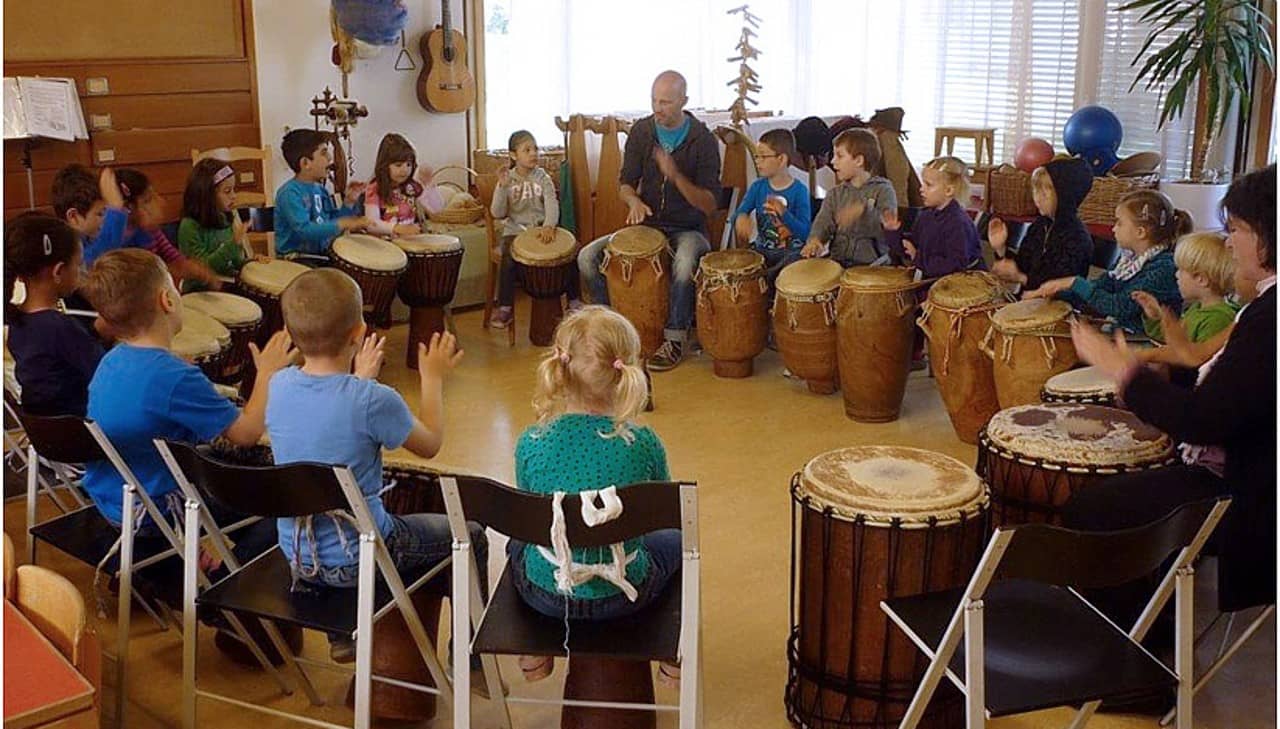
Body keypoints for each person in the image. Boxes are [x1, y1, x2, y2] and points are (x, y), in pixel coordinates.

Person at [1061, 166, 1276, 713]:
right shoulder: (1265, 311)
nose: (1231, 240)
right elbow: (1234, 392)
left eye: (1239, 228)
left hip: (1252, 497)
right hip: (1252, 472)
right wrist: (1160, 372)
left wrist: (1123, 372)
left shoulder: (1271, 318)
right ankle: (1147, 636)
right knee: (1131, 493)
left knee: (1096, 507)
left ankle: (1135, 671)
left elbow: (1206, 421)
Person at [265, 268, 487, 664]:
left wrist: (359, 379)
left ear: (290, 331)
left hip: (299, 557)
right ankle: (468, 657)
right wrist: (432, 378)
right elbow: (430, 444)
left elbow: (326, 417)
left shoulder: (278, 386)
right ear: (359, 331)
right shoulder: (373, 400)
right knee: (471, 536)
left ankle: (341, 632)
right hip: (359, 557)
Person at [78, 248, 294, 562]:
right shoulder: (175, 377)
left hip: (112, 499)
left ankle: (171, 566)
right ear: (167, 300)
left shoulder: (111, 361)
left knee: (228, 474)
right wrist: (267, 374)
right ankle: (224, 581)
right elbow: (246, 433)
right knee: (282, 504)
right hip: (155, 512)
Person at [508, 306, 682, 686]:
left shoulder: (531, 442)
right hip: (624, 593)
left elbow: (530, 515)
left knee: (520, 536)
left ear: (561, 370)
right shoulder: (643, 443)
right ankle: (673, 660)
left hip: (547, 594)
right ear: (626, 374)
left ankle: (534, 651)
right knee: (679, 541)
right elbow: (667, 515)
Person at [576, 70, 721, 371]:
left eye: (666, 102)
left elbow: (709, 204)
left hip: (688, 228)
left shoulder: (703, 140)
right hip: (648, 224)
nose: (658, 108)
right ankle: (612, 333)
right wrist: (634, 201)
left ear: (684, 101)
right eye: (654, 100)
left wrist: (676, 176)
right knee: (588, 257)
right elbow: (625, 183)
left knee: (684, 263)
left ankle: (675, 339)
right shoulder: (642, 132)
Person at [1024, 189, 1186, 333]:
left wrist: (1073, 282)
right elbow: (1100, 289)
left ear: (1140, 232)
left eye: (1119, 222)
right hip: (1122, 335)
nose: (1113, 228)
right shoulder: (1128, 261)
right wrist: (1056, 295)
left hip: (1148, 346)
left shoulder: (1163, 268)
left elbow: (1118, 306)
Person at [3, 214, 103, 416]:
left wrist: (97, 332)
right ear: (58, 271)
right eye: (78, 264)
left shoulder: (18, 321)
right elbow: (106, 372)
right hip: (85, 431)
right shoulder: (59, 327)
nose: (81, 271)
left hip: (47, 435)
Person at [490, 130, 580, 329]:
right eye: (527, 150)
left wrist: (549, 225)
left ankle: (574, 301)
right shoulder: (508, 179)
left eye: (535, 149)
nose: (533, 154)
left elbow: (551, 203)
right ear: (513, 155)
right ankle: (505, 307)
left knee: (571, 251)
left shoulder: (543, 177)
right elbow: (497, 213)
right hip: (515, 231)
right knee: (507, 255)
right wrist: (502, 187)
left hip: (542, 230)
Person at [988, 156, 1094, 292]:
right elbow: (1022, 265)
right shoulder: (1040, 225)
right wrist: (1000, 248)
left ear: (1064, 196)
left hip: (1058, 308)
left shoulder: (1077, 238)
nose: (1037, 197)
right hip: (1029, 302)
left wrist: (1021, 278)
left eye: (1044, 193)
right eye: (1035, 190)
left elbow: (1061, 286)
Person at [799, 128, 898, 267]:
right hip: (838, 262)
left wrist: (862, 211)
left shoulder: (883, 190)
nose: (833, 161)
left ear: (858, 160)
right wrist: (815, 241)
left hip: (873, 265)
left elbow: (887, 227)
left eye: (839, 156)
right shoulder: (835, 194)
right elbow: (822, 223)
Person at [114, 168, 222, 291]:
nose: (159, 202)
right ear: (128, 208)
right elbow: (142, 280)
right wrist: (176, 270)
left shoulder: (151, 230)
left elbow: (174, 257)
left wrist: (200, 271)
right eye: (147, 200)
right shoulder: (119, 242)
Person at [882, 156, 983, 278]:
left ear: (949, 190)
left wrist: (918, 258)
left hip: (958, 288)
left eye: (928, 185)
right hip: (930, 281)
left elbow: (955, 266)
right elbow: (911, 249)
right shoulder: (926, 215)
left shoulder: (959, 223)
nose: (921, 189)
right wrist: (893, 232)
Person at [733, 128, 811, 286]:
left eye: (763, 156)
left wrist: (784, 213)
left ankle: (772, 285)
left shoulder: (800, 190)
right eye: (756, 156)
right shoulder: (757, 187)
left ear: (781, 159)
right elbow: (740, 212)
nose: (757, 161)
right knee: (745, 267)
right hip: (763, 250)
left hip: (791, 253)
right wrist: (741, 218)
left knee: (794, 263)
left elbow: (805, 232)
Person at [1134, 231, 1239, 349]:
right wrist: (1155, 316)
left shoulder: (1217, 319)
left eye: (1181, 270)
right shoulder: (1196, 309)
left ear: (1201, 279)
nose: (1176, 275)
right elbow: (1173, 339)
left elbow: (1195, 359)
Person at [274, 129, 369, 257]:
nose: (330, 157)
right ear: (306, 163)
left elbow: (333, 224)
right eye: (324, 153)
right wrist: (343, 223)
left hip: (321, 256)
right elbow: (305, 230)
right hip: (296, 259)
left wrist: (349, 202)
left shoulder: (320, 190)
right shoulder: (289, 193)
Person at [178, 158, 269, 290]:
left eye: (233, 189)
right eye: (227, 191)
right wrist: (233, 243)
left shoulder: (226, 216)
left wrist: (249, 262)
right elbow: (204, 270)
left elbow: (234, 262)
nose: (234, 196)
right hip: (202, 291)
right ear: (207, 195)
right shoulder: (189, 226)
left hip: (228, 284)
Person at [361, 132, 444, 238]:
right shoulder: (374, 188)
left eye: (408, 164)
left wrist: (428, 185)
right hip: (385, 244)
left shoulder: (412, 186)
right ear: (385, 166)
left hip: (410, 239)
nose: (405, 170)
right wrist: (396, 228)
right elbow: (371, 224)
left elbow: (437, 209)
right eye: (398, 165)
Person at [51, 164, 127, 267]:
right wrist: (116, 210)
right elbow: (103, 255)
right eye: (100, 214)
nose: (105, 220)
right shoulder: (64, 250)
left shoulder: (86, 238)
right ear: (74, 217)